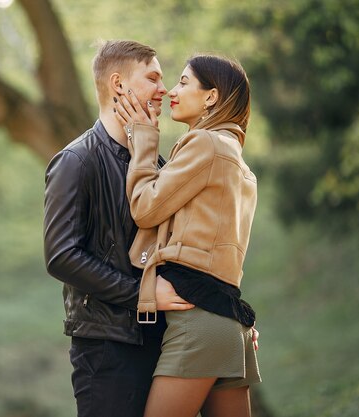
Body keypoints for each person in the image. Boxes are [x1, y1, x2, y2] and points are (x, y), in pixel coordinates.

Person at [43, 40, 196, 417]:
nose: (164, 89)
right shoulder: (76, 161)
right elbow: (61, 256)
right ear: (118, 85)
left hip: (166, 340)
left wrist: (228, 315)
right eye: (153, 78)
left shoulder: (155, 162)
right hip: (107, 349)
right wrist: (141, 295)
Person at [113, 54, 261, 417]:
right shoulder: (236, 160)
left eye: (183, 82)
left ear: (211, 97)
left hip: (199, 322)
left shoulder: (207, 144)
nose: (172, 92)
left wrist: (144, 139)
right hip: (226, 321)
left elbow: (145, 208)